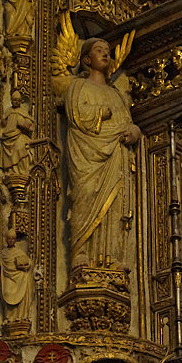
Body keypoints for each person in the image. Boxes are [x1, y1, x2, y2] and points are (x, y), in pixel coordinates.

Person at [64, 38, 141, 270]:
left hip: (116, 154)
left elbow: (127, 122)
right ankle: (81, 252)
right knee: (85, 194)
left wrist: (134, 132)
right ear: (87, 59)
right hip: (87, 154)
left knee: (116, 205)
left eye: (108, 51)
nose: (105, 55)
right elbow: (77, 115)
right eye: (99, 51)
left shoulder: (117, 94)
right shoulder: (78, 87)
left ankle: (114, 256)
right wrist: (103, 112)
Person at [0, 229, 35, 323]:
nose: (11, 240)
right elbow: (0, 264)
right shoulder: (3, 253)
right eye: (9, 238)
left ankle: (20, 316)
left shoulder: (19, 252)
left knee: (24, 286)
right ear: (6, 240)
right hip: (8, 277)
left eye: (13, 239)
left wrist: (25, 267)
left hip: (19, 276)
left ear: (15, 240)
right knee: (7, 292)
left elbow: (28, 263)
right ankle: (8, 317)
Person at [0, 90, 33, 175]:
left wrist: (23, 122)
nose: (16, 102)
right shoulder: (8, 110)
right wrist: (3, 120)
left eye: (18, 100)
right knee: (7, 154)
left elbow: (29, 122)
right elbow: (3, 121)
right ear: (11, 100)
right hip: (7, 136)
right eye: (14, 100)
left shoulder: (21, 111)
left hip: (17, 135)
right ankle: (10, 170)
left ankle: (21, 171)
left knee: (21, 147)